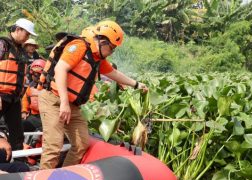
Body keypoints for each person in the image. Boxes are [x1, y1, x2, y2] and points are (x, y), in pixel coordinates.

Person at [38, 21, 148, 169]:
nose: (111, 52)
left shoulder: (97, 58)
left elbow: (113, 73)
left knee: (82, 144)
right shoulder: (79, 46)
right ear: (102, 42)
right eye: (112, 48)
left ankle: (64, 177)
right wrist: (64, 102)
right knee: (53, 146)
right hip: (53, 99)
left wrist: (136, 84)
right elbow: (60, 69)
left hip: (73, 105)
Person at [0, 18, 38, 158]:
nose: (27, 38)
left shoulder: (21, 50)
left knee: (17, 134)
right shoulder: (3, 44)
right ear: (17, 30)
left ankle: (20, 163)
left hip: (14, 99)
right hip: (1, 96)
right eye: (27, 34)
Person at [22, 59, 45, 132]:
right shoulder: (30, 87)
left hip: (46, 116)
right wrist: (24, 112)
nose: (35, 76)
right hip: (33, 116)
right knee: (20, 123)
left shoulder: (49, 87)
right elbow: (25, 100)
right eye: (34, 74)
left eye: (38, 74)